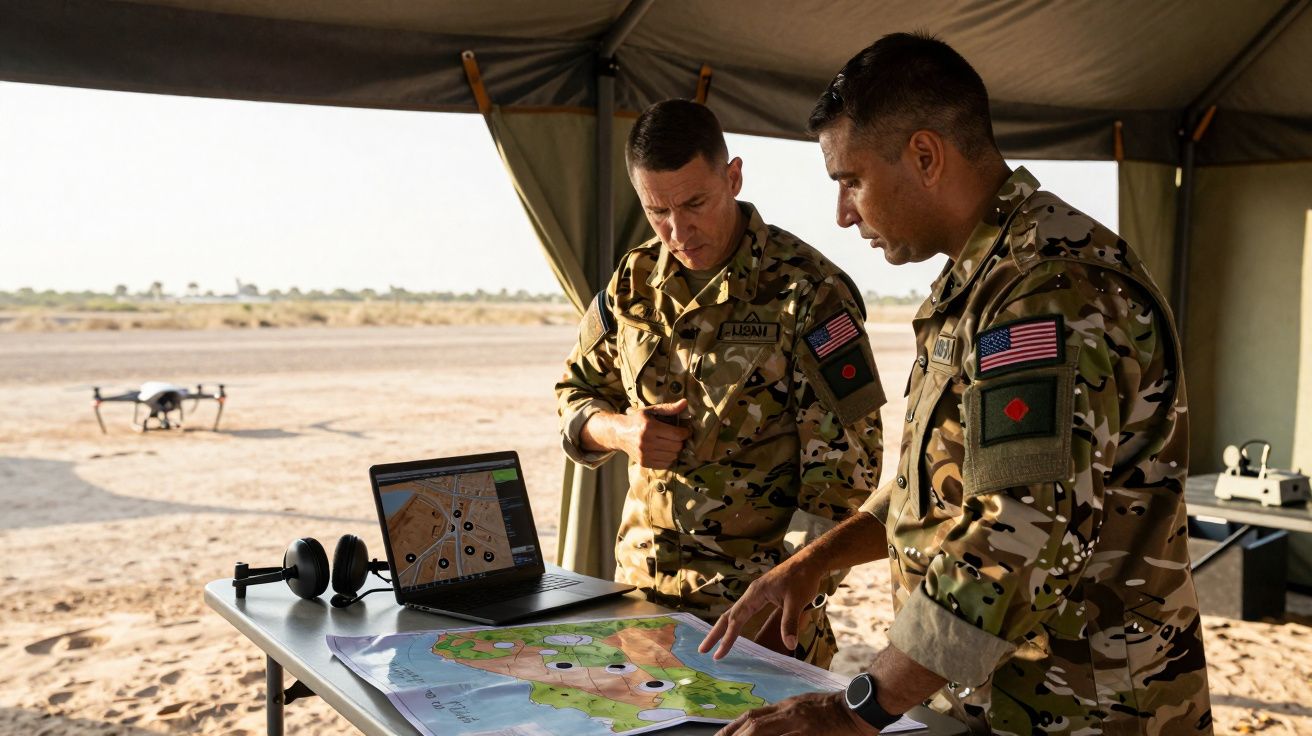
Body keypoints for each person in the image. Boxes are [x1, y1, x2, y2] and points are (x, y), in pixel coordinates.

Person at [700, 33, 1212, 735]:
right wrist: (813, 562)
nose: (843, 214)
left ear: (924, 155)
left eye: (850, 180)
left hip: (1083, 713)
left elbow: (1017, 529)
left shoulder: (1046, 290)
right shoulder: (986, 276)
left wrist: (856, 710)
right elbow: (942, 488)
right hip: (1003, 701)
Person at [555, 99, 885, 668]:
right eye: (657, 210)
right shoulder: (630, 285)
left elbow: (845, 477)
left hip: (756, 619)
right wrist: (619, 431)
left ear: (732, 176)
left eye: (695, 203)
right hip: (640, 604)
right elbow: (575, 391)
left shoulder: (808, 292)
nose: (678, 230)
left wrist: (790, 593)